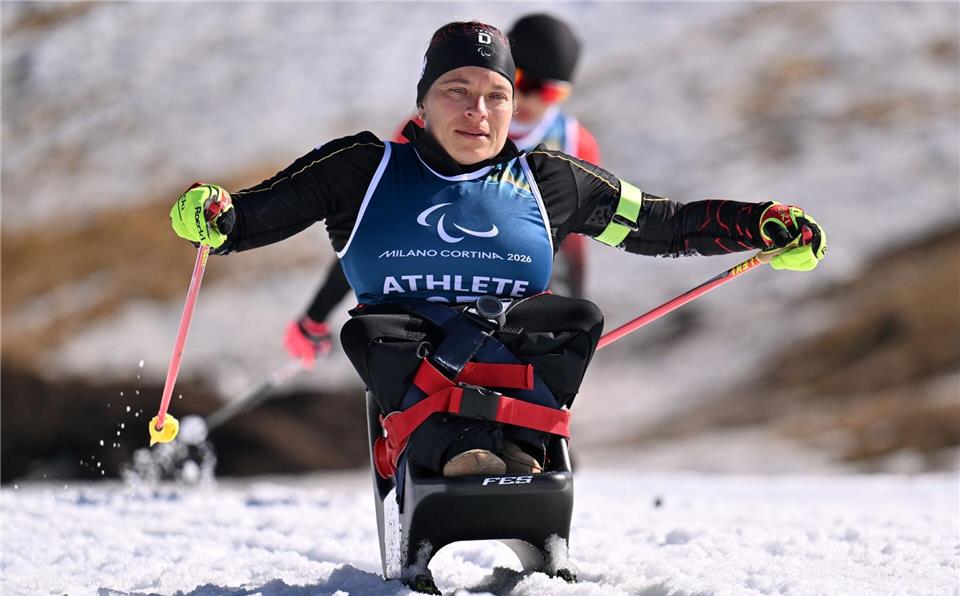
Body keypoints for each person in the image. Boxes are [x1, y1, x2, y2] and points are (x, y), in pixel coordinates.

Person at [170, 21, 826, 479]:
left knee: (575, 319)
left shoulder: (551, 180)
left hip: (506, 356)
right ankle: (457, 450)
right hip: (409, 354)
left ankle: (514, 447)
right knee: (371, 330)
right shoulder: (361, 167)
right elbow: (249, 219)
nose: (477, 110)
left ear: (513, 109)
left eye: (496, 96)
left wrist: (759, 225)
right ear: (422, 104)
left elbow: (664, 224)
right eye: (457, 90)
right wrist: (213, 215)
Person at [283, 13, 599, 369]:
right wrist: (316, 315)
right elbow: (374, 228)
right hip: (427, 317)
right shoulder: (432, 129)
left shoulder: (574, 144)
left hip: (513, 323)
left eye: (548, 91)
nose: (528, 99)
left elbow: (574, 248)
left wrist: (573, 334)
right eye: (523, 81)